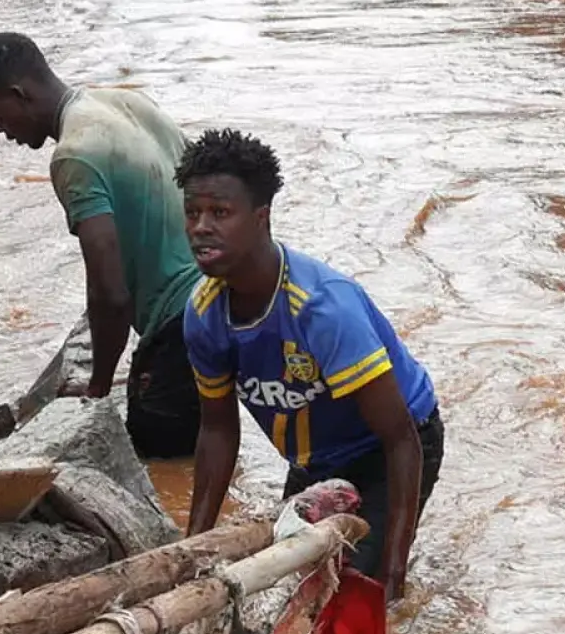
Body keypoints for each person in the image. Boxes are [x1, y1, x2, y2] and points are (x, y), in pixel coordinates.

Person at [177, 129, 445, 602]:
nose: (201, 227)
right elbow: (218, 431)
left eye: (220, 213)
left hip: (391, 447)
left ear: (261, 218)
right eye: (192, 213)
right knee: (293, 590)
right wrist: (192, 553)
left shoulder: (321, 308)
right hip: (315, 458)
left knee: (357, 595)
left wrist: (392, 572)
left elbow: (400, 438)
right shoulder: (204, 313)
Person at [0, 34, 204, 458]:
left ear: (19, 94)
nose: (0, 130)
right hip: (224, 301)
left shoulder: (74, 156)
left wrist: (98, 388)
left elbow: (109, 292)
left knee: (159, 463)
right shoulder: (128, 104)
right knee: (210, 437)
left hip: (177, 327)